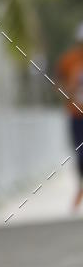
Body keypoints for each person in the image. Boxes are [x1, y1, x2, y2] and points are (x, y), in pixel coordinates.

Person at [55, 22, 83, 211]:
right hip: (76, 115)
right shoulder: (69, 60)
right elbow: (58, 85)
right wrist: (70, 90)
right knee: (80, 155)